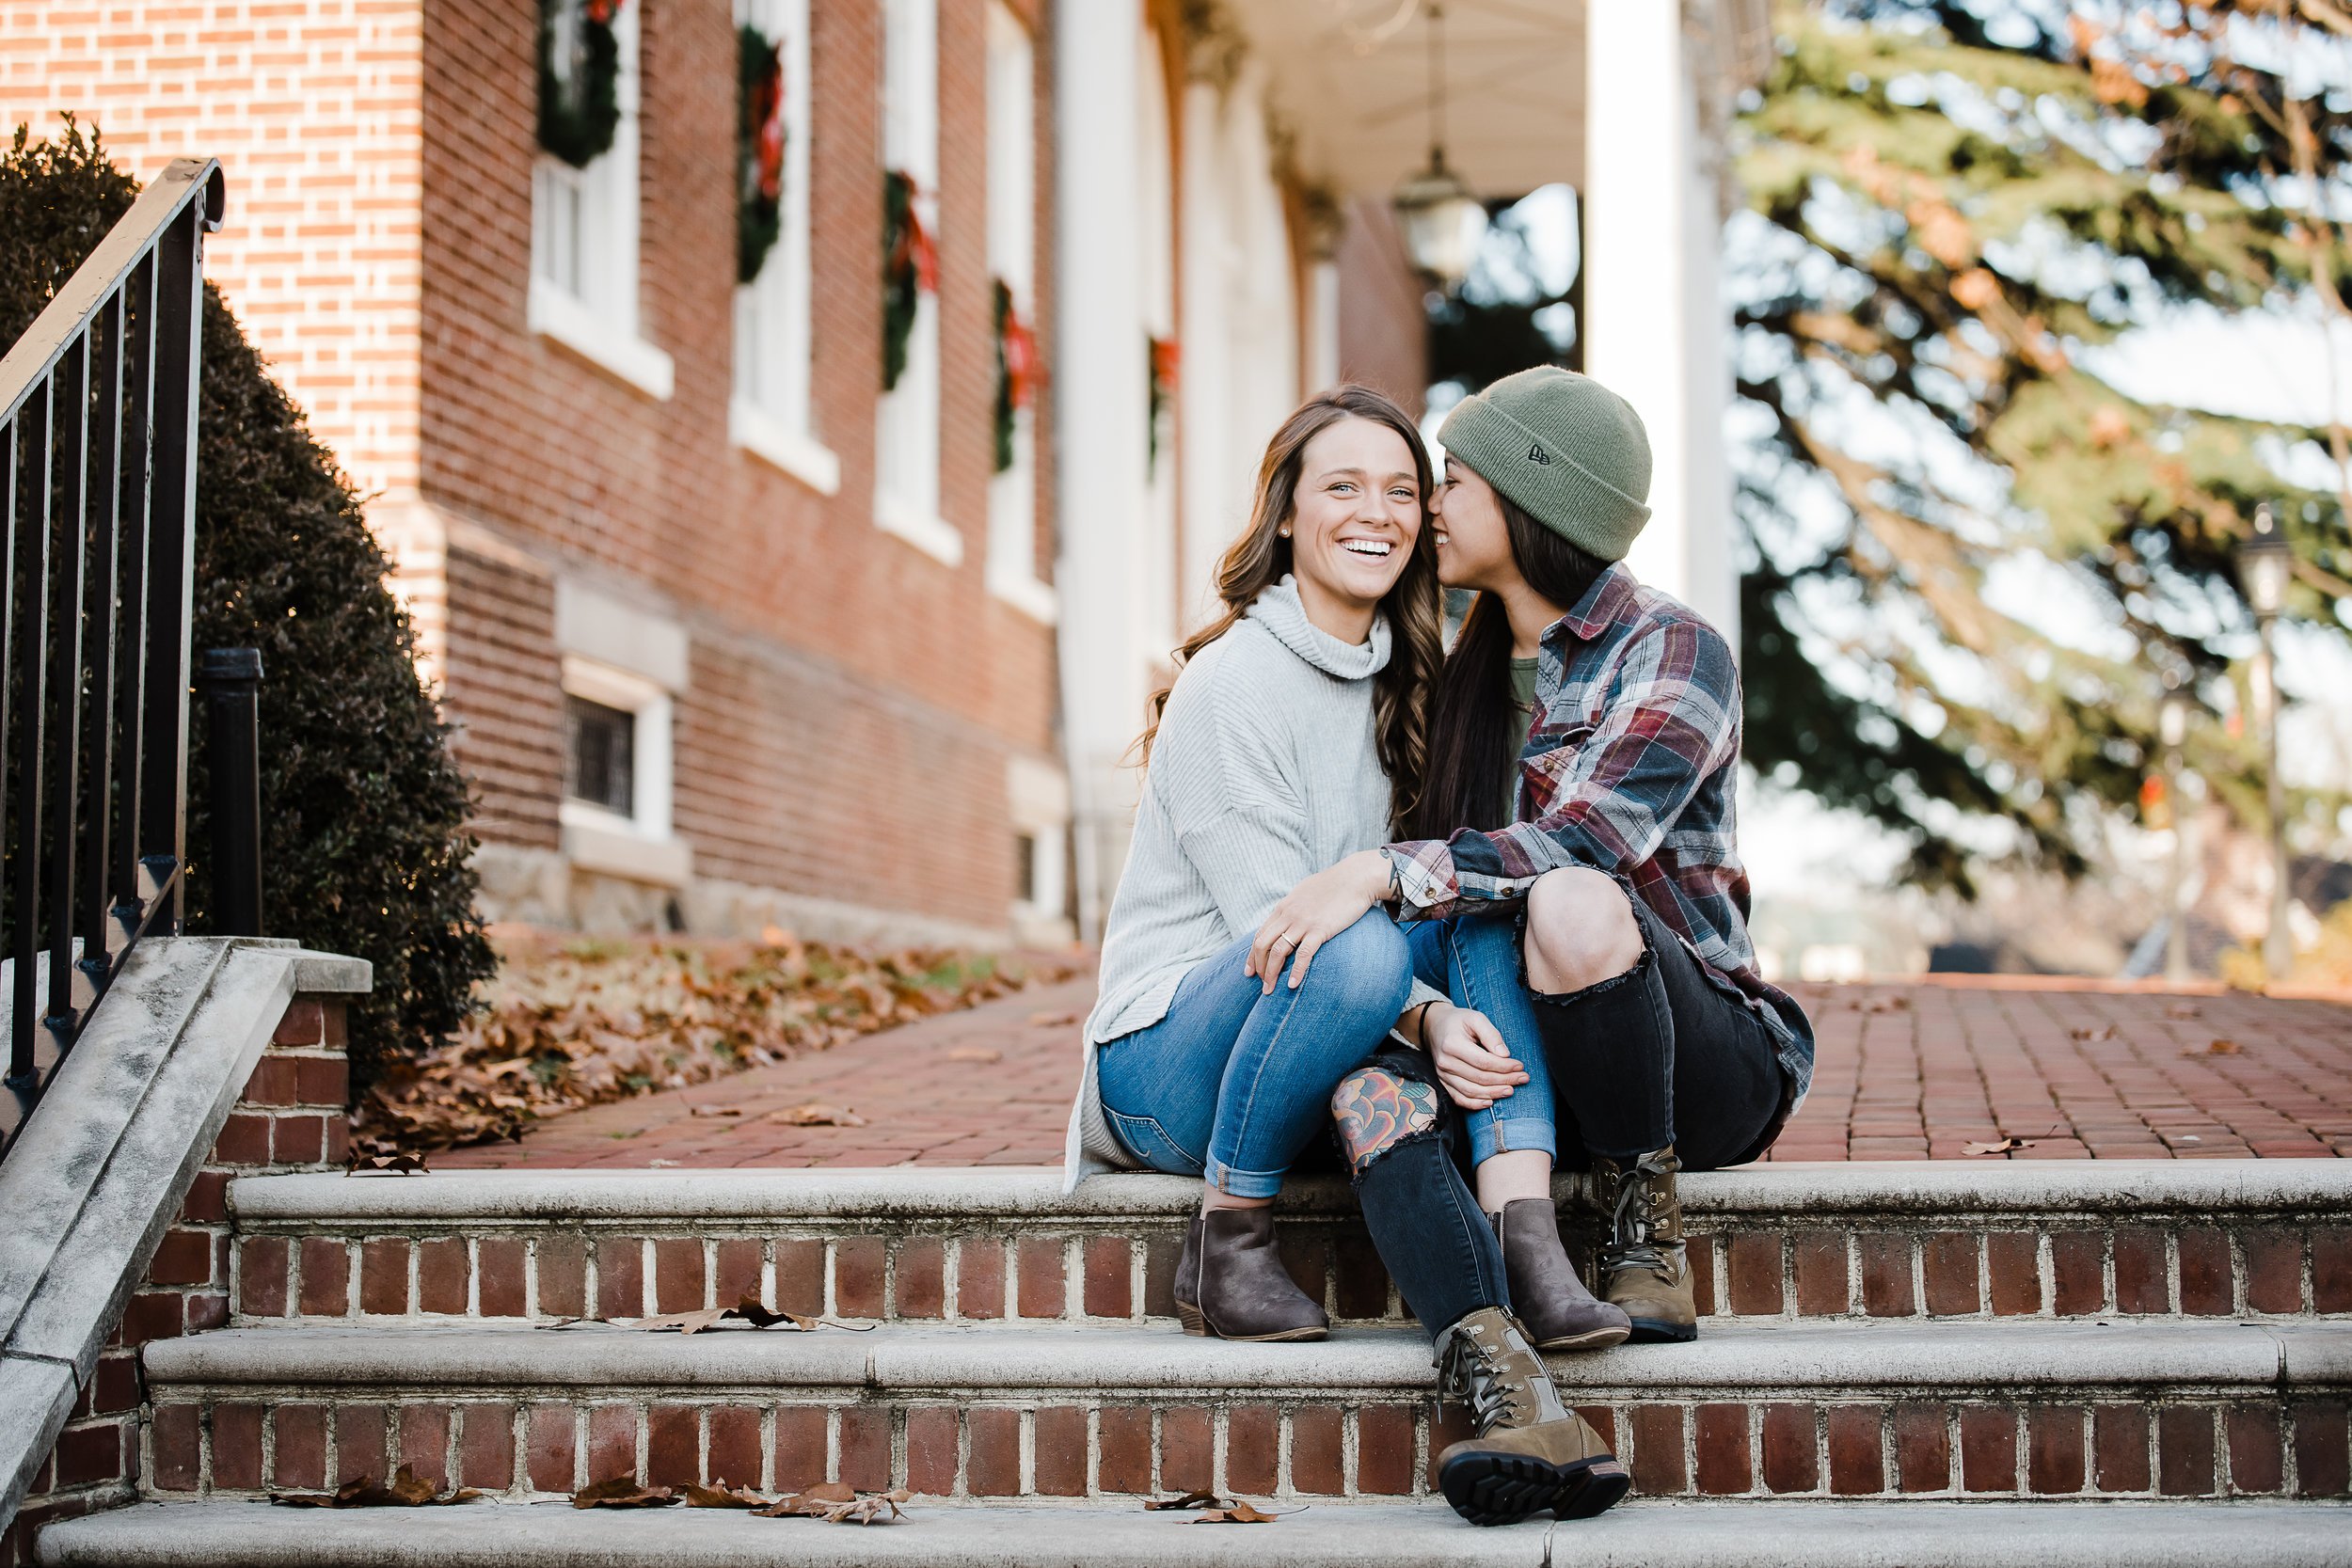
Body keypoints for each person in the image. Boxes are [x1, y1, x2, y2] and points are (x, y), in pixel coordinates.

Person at [1060, 385, 1451, 1345]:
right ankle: (1227, 1245)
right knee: (1354, 951)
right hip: (1163, 1070)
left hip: (1310, 1034)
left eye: (1401, 492)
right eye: (1344, 486)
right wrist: (1432, 1016)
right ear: (1285, 518)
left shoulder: (1408, 676)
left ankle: (1500, 1308)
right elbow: (1284, 927)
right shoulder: (1232, 683)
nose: (1376, 513)